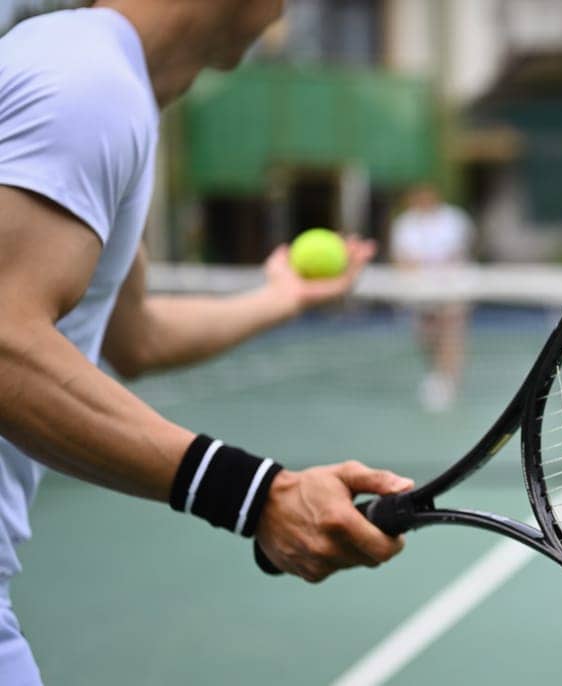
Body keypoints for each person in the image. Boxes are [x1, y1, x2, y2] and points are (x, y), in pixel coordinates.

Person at [0, 2, 412, 681]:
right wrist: (258, 496)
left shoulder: (99, 81)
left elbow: (133, 337)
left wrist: (283, 298)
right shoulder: (87, 87)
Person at [388, 183, 475, 412]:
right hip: (420, 292)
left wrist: (443, 277)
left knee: (451, 333)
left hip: (452, 289)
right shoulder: (404, 223)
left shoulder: (455, 219)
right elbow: (401, 258)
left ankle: (449, 382)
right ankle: (438, 374)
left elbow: (459, 253)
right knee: (426, 336)